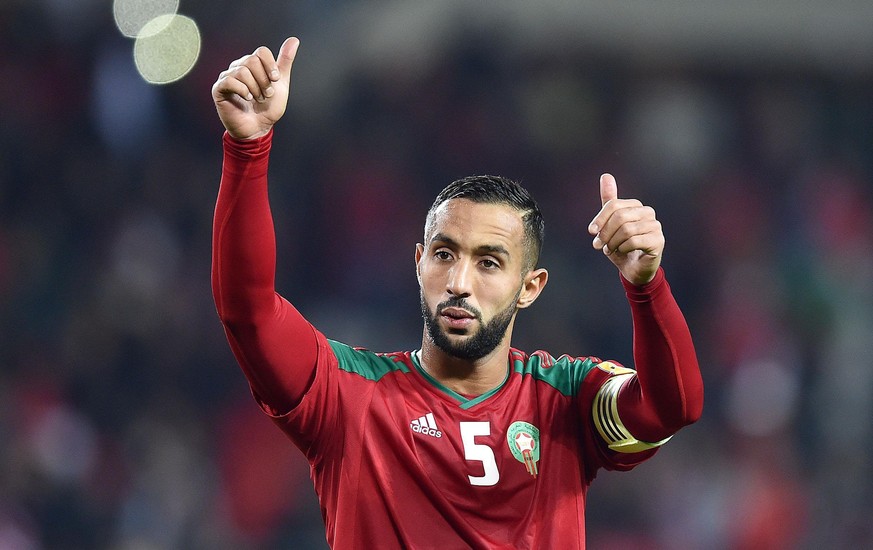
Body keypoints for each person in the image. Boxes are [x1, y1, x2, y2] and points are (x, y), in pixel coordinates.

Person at [211, 37, 703, 549]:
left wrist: (646, 286)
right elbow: (248, 313)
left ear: (530, 287)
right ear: (419, 262)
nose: (460, 283)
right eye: (445, 254)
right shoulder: (348, 396)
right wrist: (248, 148)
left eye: (489, 263)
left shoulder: (566, 399)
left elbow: (674, 408)